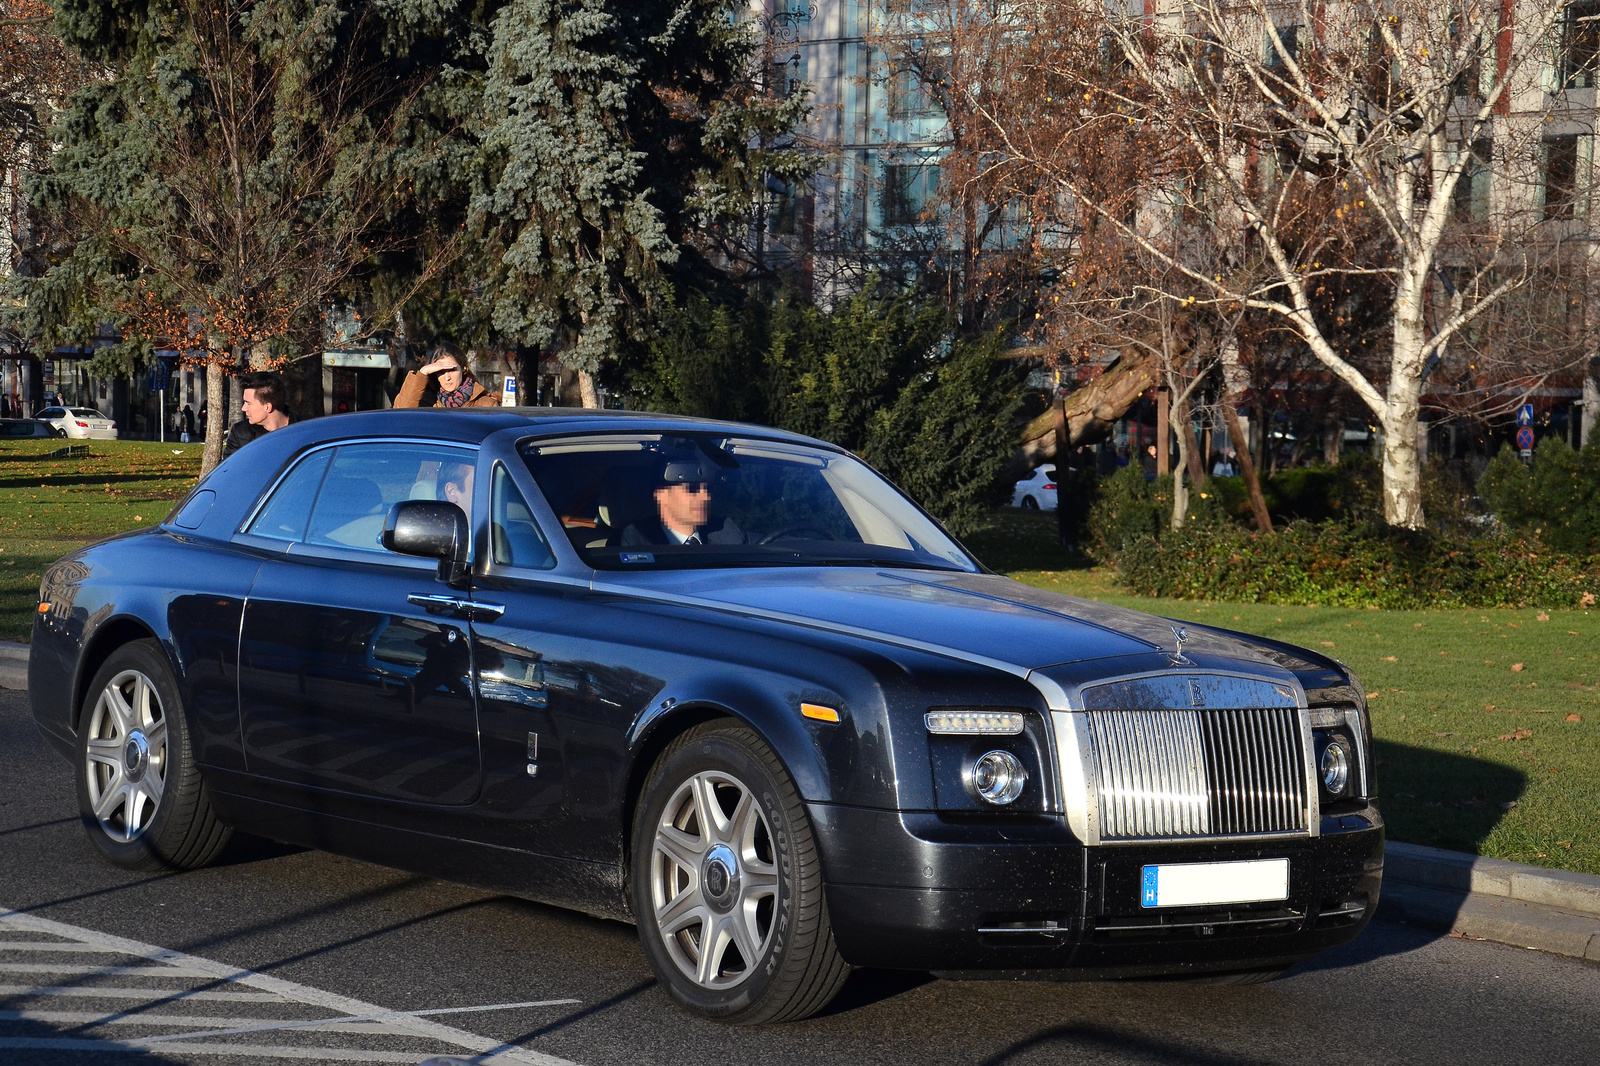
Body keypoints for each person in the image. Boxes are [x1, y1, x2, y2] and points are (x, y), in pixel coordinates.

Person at [621, 458, 745, 546]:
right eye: (692, 489)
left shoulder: (728, 534)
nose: (705, 497)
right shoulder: (634, 542)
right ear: (661, 495)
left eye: (708, 489)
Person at [395, 344, 500, 408]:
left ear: (464, 369)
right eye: (441, 371)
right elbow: (400, 414)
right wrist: (423, 372)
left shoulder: (486, 404)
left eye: (452, 370)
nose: (447, 377)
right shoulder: (427, 401)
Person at [222, 373, 292, 459]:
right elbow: (229, 470)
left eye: (248, 403)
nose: (243, 408)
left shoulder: (305, 430)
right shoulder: (241, 433)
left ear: (268, 407)